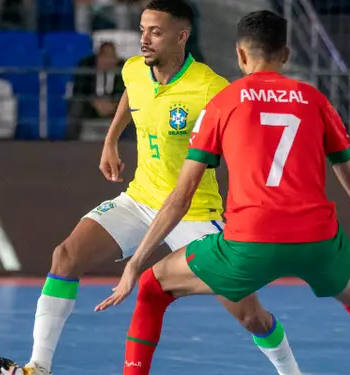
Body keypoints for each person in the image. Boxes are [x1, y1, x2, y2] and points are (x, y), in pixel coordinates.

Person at [95, 9, 350, 375]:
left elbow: (181, 198)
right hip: (318, 242)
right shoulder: (315, 100)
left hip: (249, 244)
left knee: (152, 288)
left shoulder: (223, 102)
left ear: (241, 55)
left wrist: (135, 264)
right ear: (286, 55)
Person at [22, 2, 301, 375]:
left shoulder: (210, 88)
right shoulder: (135, 69)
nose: (144, 40)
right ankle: (37, 366)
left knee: (250, 316)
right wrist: (111, 139)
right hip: (140, 200)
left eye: (155, 32)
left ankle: (291, 371)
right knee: (66, 256)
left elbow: (247, 144)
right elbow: (132, 94)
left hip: (195, 214)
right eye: (142, 30)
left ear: (181, 37)